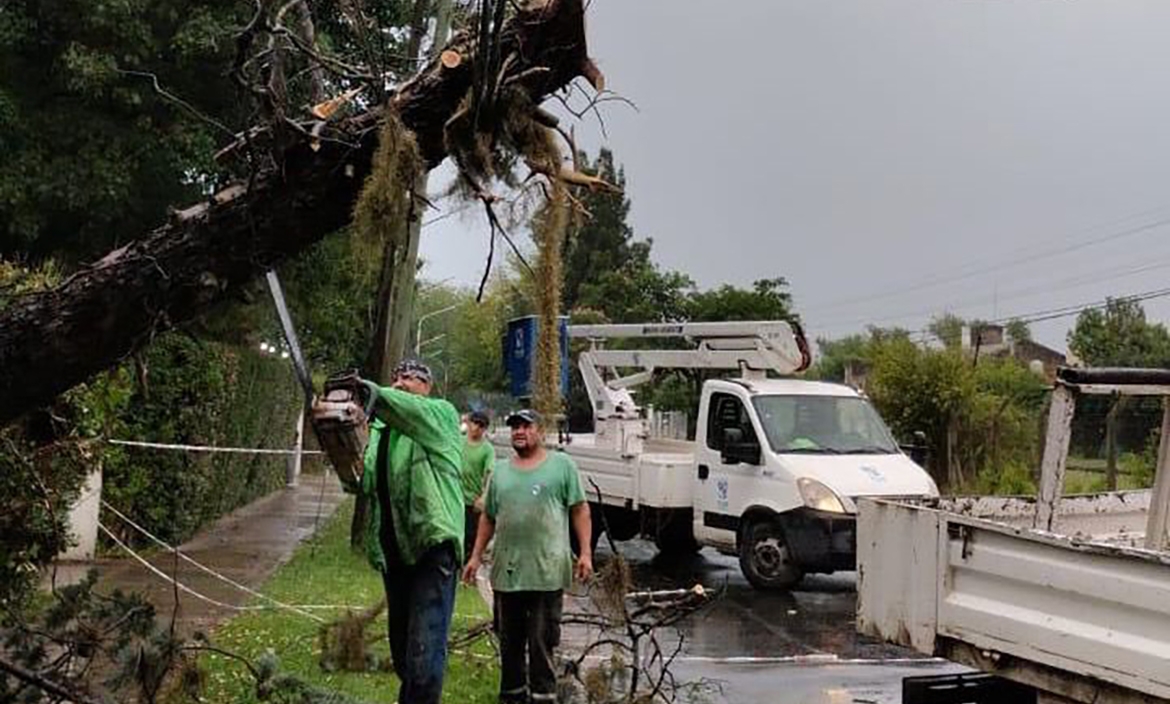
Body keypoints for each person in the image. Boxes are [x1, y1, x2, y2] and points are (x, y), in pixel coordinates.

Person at [462, 409, 593, 704]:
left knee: (541, 644)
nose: (519, 431)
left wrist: (585, 553)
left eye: (525, 426)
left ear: (540, 431)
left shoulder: (561, 466)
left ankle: (543, 697)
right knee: (509, 644)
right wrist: (475, 557)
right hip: (507, 574)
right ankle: (512, 697)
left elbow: (579, 509)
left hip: (547, 574)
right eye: (515, 427)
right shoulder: (501, 471)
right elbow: (488, 517)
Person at [357, 359, 464, 704]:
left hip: (432, 546)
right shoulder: (380, 432)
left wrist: (369, 391)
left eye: (410, 378)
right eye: (396, 378)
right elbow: (363, 481)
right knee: (404, 649)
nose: (400, 383)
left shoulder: (441, 415)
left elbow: (404, 408)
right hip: (394, 550)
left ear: (427, 386)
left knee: (425, 650)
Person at [461, 409, 495, 562]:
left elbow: (490, 473)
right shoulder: (458, 441)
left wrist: (484, 497)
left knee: (470, 537)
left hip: (472, 501)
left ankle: (468, 566)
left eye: (481, 425)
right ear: (468, 423)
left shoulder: (487, 449)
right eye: (475, 423)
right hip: (455, 496)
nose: (476, 428)